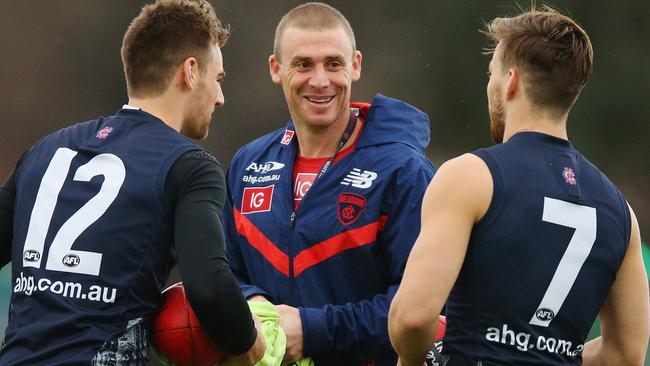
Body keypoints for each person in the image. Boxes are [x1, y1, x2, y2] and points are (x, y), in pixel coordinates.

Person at [0, 1, 266, 365]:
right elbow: (209, 288)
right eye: (217, 79)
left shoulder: (44, 150)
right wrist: (249, 342)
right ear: (190, 72)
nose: (220, 98)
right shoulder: (189, 166)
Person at [388, 5, 649, 366]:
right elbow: (626, 354)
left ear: (510, 81)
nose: (490, 84)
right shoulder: (622, 214)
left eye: (491, 73)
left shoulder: (470, 176)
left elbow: (412, 319)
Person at [220, 2, 435, 365]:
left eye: (333, 64)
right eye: (303, 64)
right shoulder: (248, 164)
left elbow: (424, 312)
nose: (320, 81)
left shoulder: (404, 171)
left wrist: (312, 330)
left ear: (356, 66)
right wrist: (250, 301)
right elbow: (224, 269)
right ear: (276, 69)